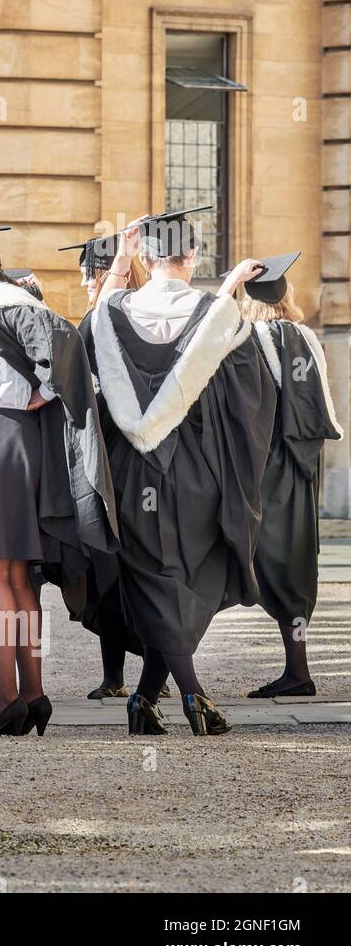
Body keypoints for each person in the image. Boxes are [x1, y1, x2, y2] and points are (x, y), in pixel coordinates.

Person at [0, 226, 118, 738]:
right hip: (9, 439)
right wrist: (43, 388)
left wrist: (48, 387)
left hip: (1, 440)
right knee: (16, 579)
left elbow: (64, 338)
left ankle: (4, 696)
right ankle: (32, 694)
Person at [88, 209, 275, 736]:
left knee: (154, 581)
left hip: (130, 474)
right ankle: (192, 695)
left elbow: (86, 353)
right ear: (192, 256)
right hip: (198, 475)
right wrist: (232, 287)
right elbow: (251, 403)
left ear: (145, 256)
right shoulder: (219, 317)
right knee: (185, 580)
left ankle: (147, 697)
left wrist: (120, 265)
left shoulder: (112, 313)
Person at [238, 254, 341, 698]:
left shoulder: (248, 338)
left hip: (265, 464)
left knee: (227, 554)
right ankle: (297, 668)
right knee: (295, 560)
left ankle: (166, 674)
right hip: (302, 463)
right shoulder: (306, 337)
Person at [61, 231, 151, 700]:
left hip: (111, 457)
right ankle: (148, 673)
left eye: (84, 273)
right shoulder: (149, 317)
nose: (81, 282)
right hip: (147, 459)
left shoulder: (105, 318)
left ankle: (117, 677)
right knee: (145, 566)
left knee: (112, 565)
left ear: (100, 274)